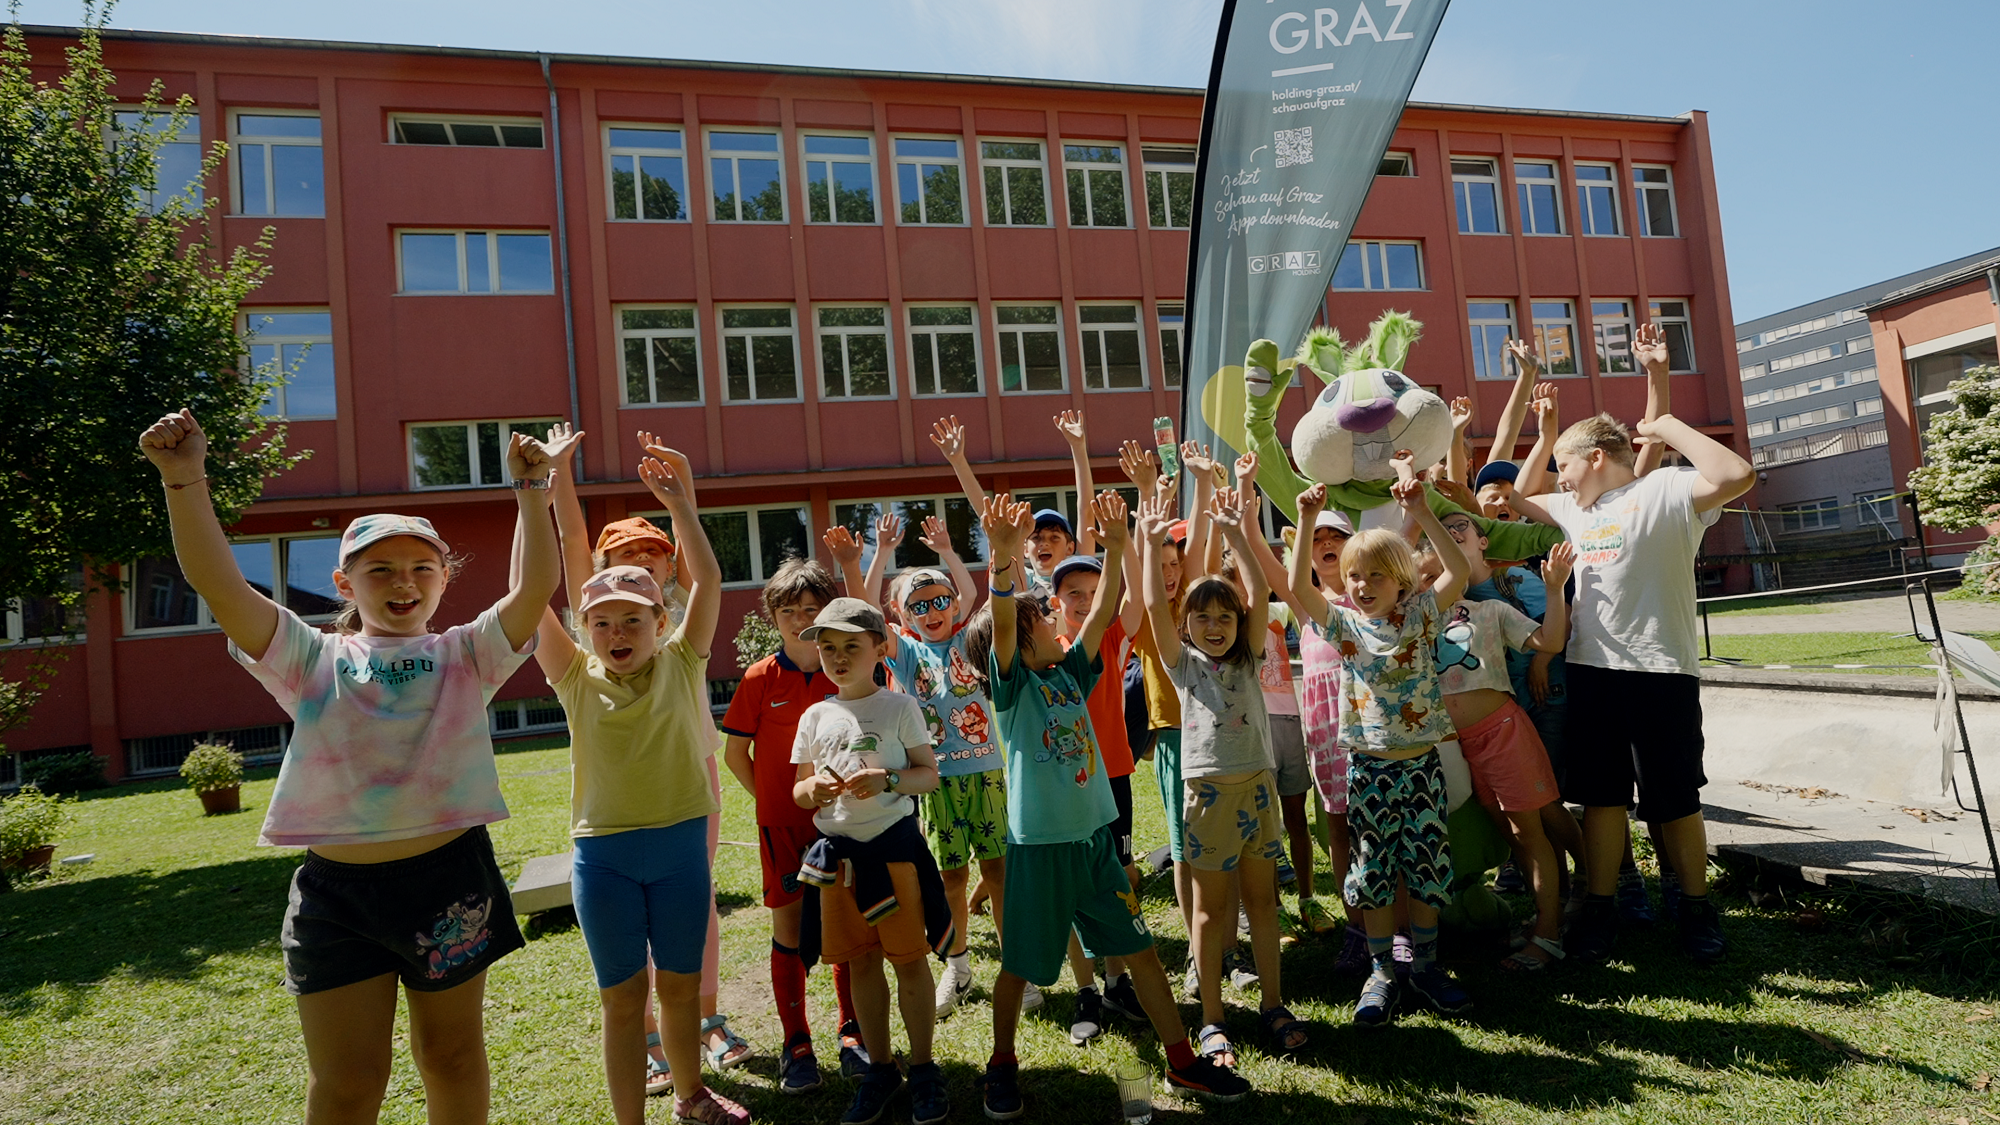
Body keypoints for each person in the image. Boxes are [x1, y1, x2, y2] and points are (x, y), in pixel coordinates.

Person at [139, 409, 557, 1123]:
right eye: (381, 569)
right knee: (348, 1082)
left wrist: (532, 490)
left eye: (423, 567)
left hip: (449, 880)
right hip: (337, 896)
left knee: (452, 1057)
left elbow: (536, 586)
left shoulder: (466, 653)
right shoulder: (310, 657)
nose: (404, 582)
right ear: (345, 579)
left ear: (444, 577)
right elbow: (222, 587)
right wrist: (184, 480)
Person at [966, 491, 1250, 1119]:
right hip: (1039, 854)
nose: (1054, 621)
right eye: (1044, 617)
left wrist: (1119, 547)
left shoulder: (1069, 674)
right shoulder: (1013, 691)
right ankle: (1002, 1064)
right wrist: (1004, 565)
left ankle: (1180, 1063)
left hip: (1096, 844)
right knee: (1019, 969)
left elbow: (1100, 619)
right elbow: (1006, 625)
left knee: (1143, 951)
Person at [532, 443, 751, 1125]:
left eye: (634, 618)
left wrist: (681, 504)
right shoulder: (573, 675)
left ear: (662, 622)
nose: (617, 631)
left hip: (681, 848)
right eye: (602, 621)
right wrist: (530, 497)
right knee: (624, 1000)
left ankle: (690, 1096)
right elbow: (528, 597)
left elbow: (708, 581)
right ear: (584, 629)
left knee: (681, 990)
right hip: (605, 859)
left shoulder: (684, 661)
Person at [1526, 396, 1754, 967]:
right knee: (1602, 799)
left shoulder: (1668, 490)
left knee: (1675, 799)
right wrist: (1546, 432)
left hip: (1662, 673)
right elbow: (1522, 496)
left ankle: (1696, 908)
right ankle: (1599, 909)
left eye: (1564, 464)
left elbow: (1737, 474)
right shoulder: (1579, 509)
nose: (1560, 478)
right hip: (1592, 673)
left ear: (1596, 456)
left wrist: (1668, 425)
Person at [1290, 455, 1476, 1028]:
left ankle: (1422, 967)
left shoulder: (1420, 615)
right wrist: (1306, 521)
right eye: (1354, 576)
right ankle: (1379, 972)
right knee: (1370, 875)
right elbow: (1298, 585)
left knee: (1425, 869)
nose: (1363, 585)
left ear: (1402, 580)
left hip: (1420, 767)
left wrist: (1420, 509)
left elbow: (1459, 573)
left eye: (1375, 575)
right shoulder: (1342, 625)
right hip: (1368, 772)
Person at [832, 513, 1033, 1020]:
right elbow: (862, 614)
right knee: (950, 879)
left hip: (987, 775)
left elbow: (982, 590)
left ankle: (1017, 965)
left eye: (941, 599)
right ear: (901, 617)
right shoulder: (905, 654)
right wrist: (864, 561)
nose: (933, 610)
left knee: (1000, 872)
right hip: (935, 782)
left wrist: (948, 552)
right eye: (918, 606)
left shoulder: (974, 639)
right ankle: (958, 965)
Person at [1139, 487, 1309, 1065]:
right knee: (1211, 913)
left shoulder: (1251, 653)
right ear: (1186, 626)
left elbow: (1258, 591)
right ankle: (1212, 1019)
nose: (1215, 624)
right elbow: (1155, 608)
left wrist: (1239, 531)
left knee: (1263, 904)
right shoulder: (1181, 662)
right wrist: (1149, 542)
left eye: (1224, 615)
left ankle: (1273, 1003)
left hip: (1257, 789)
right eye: (1202, 617)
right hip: (1207, 795)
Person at [790, 598, 950, 1125]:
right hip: (839, 863)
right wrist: (811, 787)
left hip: (893, 853)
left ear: (880, 649)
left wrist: (888, 780)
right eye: (828, 647)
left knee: (909, 960)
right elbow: (799, 790)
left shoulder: (899, 708)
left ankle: (924, 1067)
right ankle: (881, 1067)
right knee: (859, 962)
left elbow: (929, 774)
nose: (837, 657)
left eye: (851, 646)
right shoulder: (815, 715)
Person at [719, 559, 863, 1094]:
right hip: (783, 828)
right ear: (773, 617)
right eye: (789, 611)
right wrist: (773, 800)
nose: (801, 619)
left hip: (845, 825)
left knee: (845, 928)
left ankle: (853, 1032)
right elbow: (736, 752)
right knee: (788, 930)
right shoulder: (760, 676)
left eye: (812, 610)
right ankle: (796, 1043)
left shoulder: (847, 668)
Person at [1427, 513, 1578, 971]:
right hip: (1460, 745)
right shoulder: (1416, 622)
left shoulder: (1490, 610)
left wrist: (1554, 588)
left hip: (1503, 733)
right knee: (1517, 837)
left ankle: (1550, 934)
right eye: (1426, 575)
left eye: (1439, 573)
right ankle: (1547, 917)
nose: (1433, 582)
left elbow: (1551, 638)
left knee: (1531, 831)